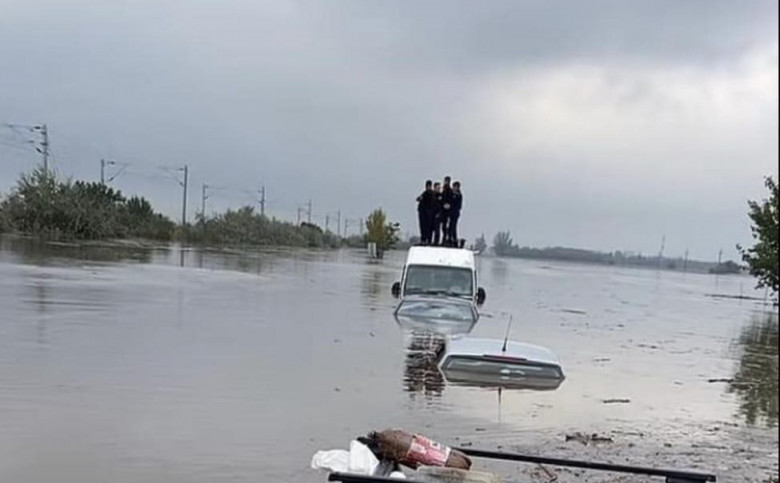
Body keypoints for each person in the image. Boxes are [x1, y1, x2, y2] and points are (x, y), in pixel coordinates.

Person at [415, 180, 435, 244]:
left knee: (427, 227)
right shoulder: (424, 193)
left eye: (429, 186)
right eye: (427, 186)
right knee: (422, 227)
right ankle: (423, 239)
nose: (428, 187)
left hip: (428, 213)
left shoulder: (431, 194)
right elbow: (418, 199)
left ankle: (426, 240)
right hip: (422, 212)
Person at [440, 176, 454, 246]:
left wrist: (448, 205)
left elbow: (451, 201)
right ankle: (444, 238)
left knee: (447, 226)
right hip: (443, 212)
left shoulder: (450, 191)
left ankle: (447, 239)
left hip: (448, 212)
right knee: (443, 226)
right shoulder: (443, 190)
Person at [449, 181, 463, 247]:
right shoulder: (451, 194)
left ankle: (453, 239)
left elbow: (458, 206)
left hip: (455, 213)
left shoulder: (459, 195)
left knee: (453, 226)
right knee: (450, 226)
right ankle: (451, 238)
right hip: (450, 213)